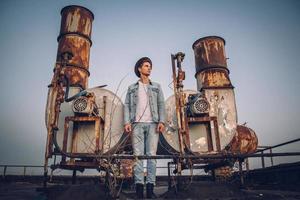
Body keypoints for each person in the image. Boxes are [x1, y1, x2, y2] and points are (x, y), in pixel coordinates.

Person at [124, 57, 165, 199]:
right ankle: (139, 192)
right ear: (139, 69)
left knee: (151, 157)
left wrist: (162, 121)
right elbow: (127, 106)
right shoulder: (131, 88)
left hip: (153, 124)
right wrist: (127, 122)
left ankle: (150, 190)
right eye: (147, 66)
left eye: (150, 66)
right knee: (138, 157)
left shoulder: (157, 87)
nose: (149, 68)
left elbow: (161, 105)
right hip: (137, 125)